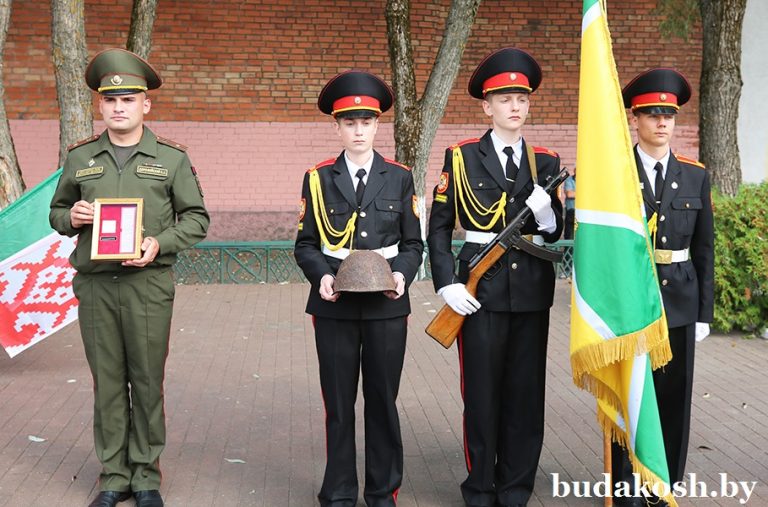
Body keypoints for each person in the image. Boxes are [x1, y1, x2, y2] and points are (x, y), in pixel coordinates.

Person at [49, 48, 209, 507]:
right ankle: (113, 477)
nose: (119, 107)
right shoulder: (81, 157)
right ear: (100, 106)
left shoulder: (170, 158)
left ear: (146, 105)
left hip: (147, 286)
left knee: (146, 380)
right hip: (97, 285)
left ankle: (145, 477)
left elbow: (196, 219)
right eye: (110, 100)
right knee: (107, 382)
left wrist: (159, 242)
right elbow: (57, 211)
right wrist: (71, 216)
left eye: (129, 99)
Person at [426, 48, 564, 507]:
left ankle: (516, 488)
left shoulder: (545, 161)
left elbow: (555, 231)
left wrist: (547, 215)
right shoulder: (462, 157)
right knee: (482, 395)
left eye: (522, 99)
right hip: (478, 291)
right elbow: (439, 227)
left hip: (530, 293)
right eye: (505, 99)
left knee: (525, 395)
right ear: (487, 107)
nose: (515, 106)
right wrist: (446, 282)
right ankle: (480, 488)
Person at [293, 70, 423, 507]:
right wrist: (322, 276)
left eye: (366, 122)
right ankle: (339, 492)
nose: (359, 130)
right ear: (338, 127)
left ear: (377, 125)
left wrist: (402, 274)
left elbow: (413, 243)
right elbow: (306, 244)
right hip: (335, 304)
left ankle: (382, 491)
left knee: (383, 400)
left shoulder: (400, 177)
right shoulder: (318, 178)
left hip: (387, 302)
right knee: (338, 403)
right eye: (349, 123)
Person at [611, 67, 714, 506]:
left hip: (679, 304)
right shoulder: (615, 174)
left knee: (673, 399)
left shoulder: (694, 175)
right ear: (634, 118)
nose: (661, 122)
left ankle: (663, 486)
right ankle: (626, 487)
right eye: (652, 114)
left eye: (668, 115)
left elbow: (705, 249)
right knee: (630, 398)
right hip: (630, 304)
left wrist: (704, 313)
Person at [563, 166, 576, 239]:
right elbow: (569, 194)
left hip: (583, 212)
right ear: (574, 171)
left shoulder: (587, 181)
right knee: (569, 234)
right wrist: (585, 194)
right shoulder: (569, 180)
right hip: (571, 210)